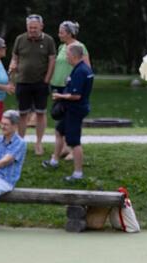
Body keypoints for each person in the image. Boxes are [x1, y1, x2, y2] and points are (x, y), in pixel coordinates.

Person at [44, 44, 93, 182]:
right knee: (59, 130)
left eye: (68, 55)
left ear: (74, 56)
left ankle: (78, 174)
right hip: (74, 108)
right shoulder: (82, 68)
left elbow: (76, 96)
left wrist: (59, 96)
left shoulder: (80, 72)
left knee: (74, 141)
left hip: (75, 110)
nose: (66, 58)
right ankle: (54, 161)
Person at [9, 14, 56, 156]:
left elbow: (52, 60)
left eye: (35, 27)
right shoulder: (20, 39)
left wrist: (47, 79)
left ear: (41, 26)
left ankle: (38, 143)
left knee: (41, 113)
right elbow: (14, 57)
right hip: (22, 82)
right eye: (30, 27)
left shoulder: (48, 40)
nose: (33, 30)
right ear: (27, 27)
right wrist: (12, 73)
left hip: (41, 83)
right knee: (22, 114)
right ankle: (20, 144)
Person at [51, 21, 90, 161]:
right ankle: (65, 148)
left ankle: (73, 149)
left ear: (69, 33)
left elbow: (86, 68)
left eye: (61, 32)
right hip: (58, 86)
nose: (59, 34)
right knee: (61, 118)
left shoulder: (80, 47)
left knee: (72, 118)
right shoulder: (62, 47)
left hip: (72, 88)